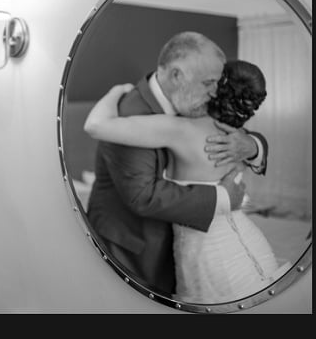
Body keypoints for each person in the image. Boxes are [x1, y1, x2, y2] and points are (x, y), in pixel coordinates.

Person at [85, 58, 288, 303]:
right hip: (250, 243)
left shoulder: (180, 129)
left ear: (217, 88)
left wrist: (115, 91)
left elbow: (96, 125)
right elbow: (254, 145)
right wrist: (254, 146)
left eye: (211, 81)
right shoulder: (240, 137)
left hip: (208, 254)